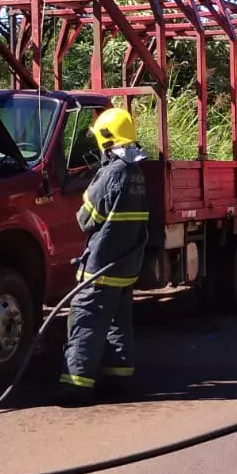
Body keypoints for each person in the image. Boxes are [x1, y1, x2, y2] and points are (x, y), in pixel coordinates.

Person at [59, 107, 150, 405]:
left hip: (102, 265)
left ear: (107, 139)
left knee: (86, 320)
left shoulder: (111, 173)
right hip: (126, 265)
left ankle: (76, 385)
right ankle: (119, 378)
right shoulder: (136, 172)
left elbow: (86, 218)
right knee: (118, 323)